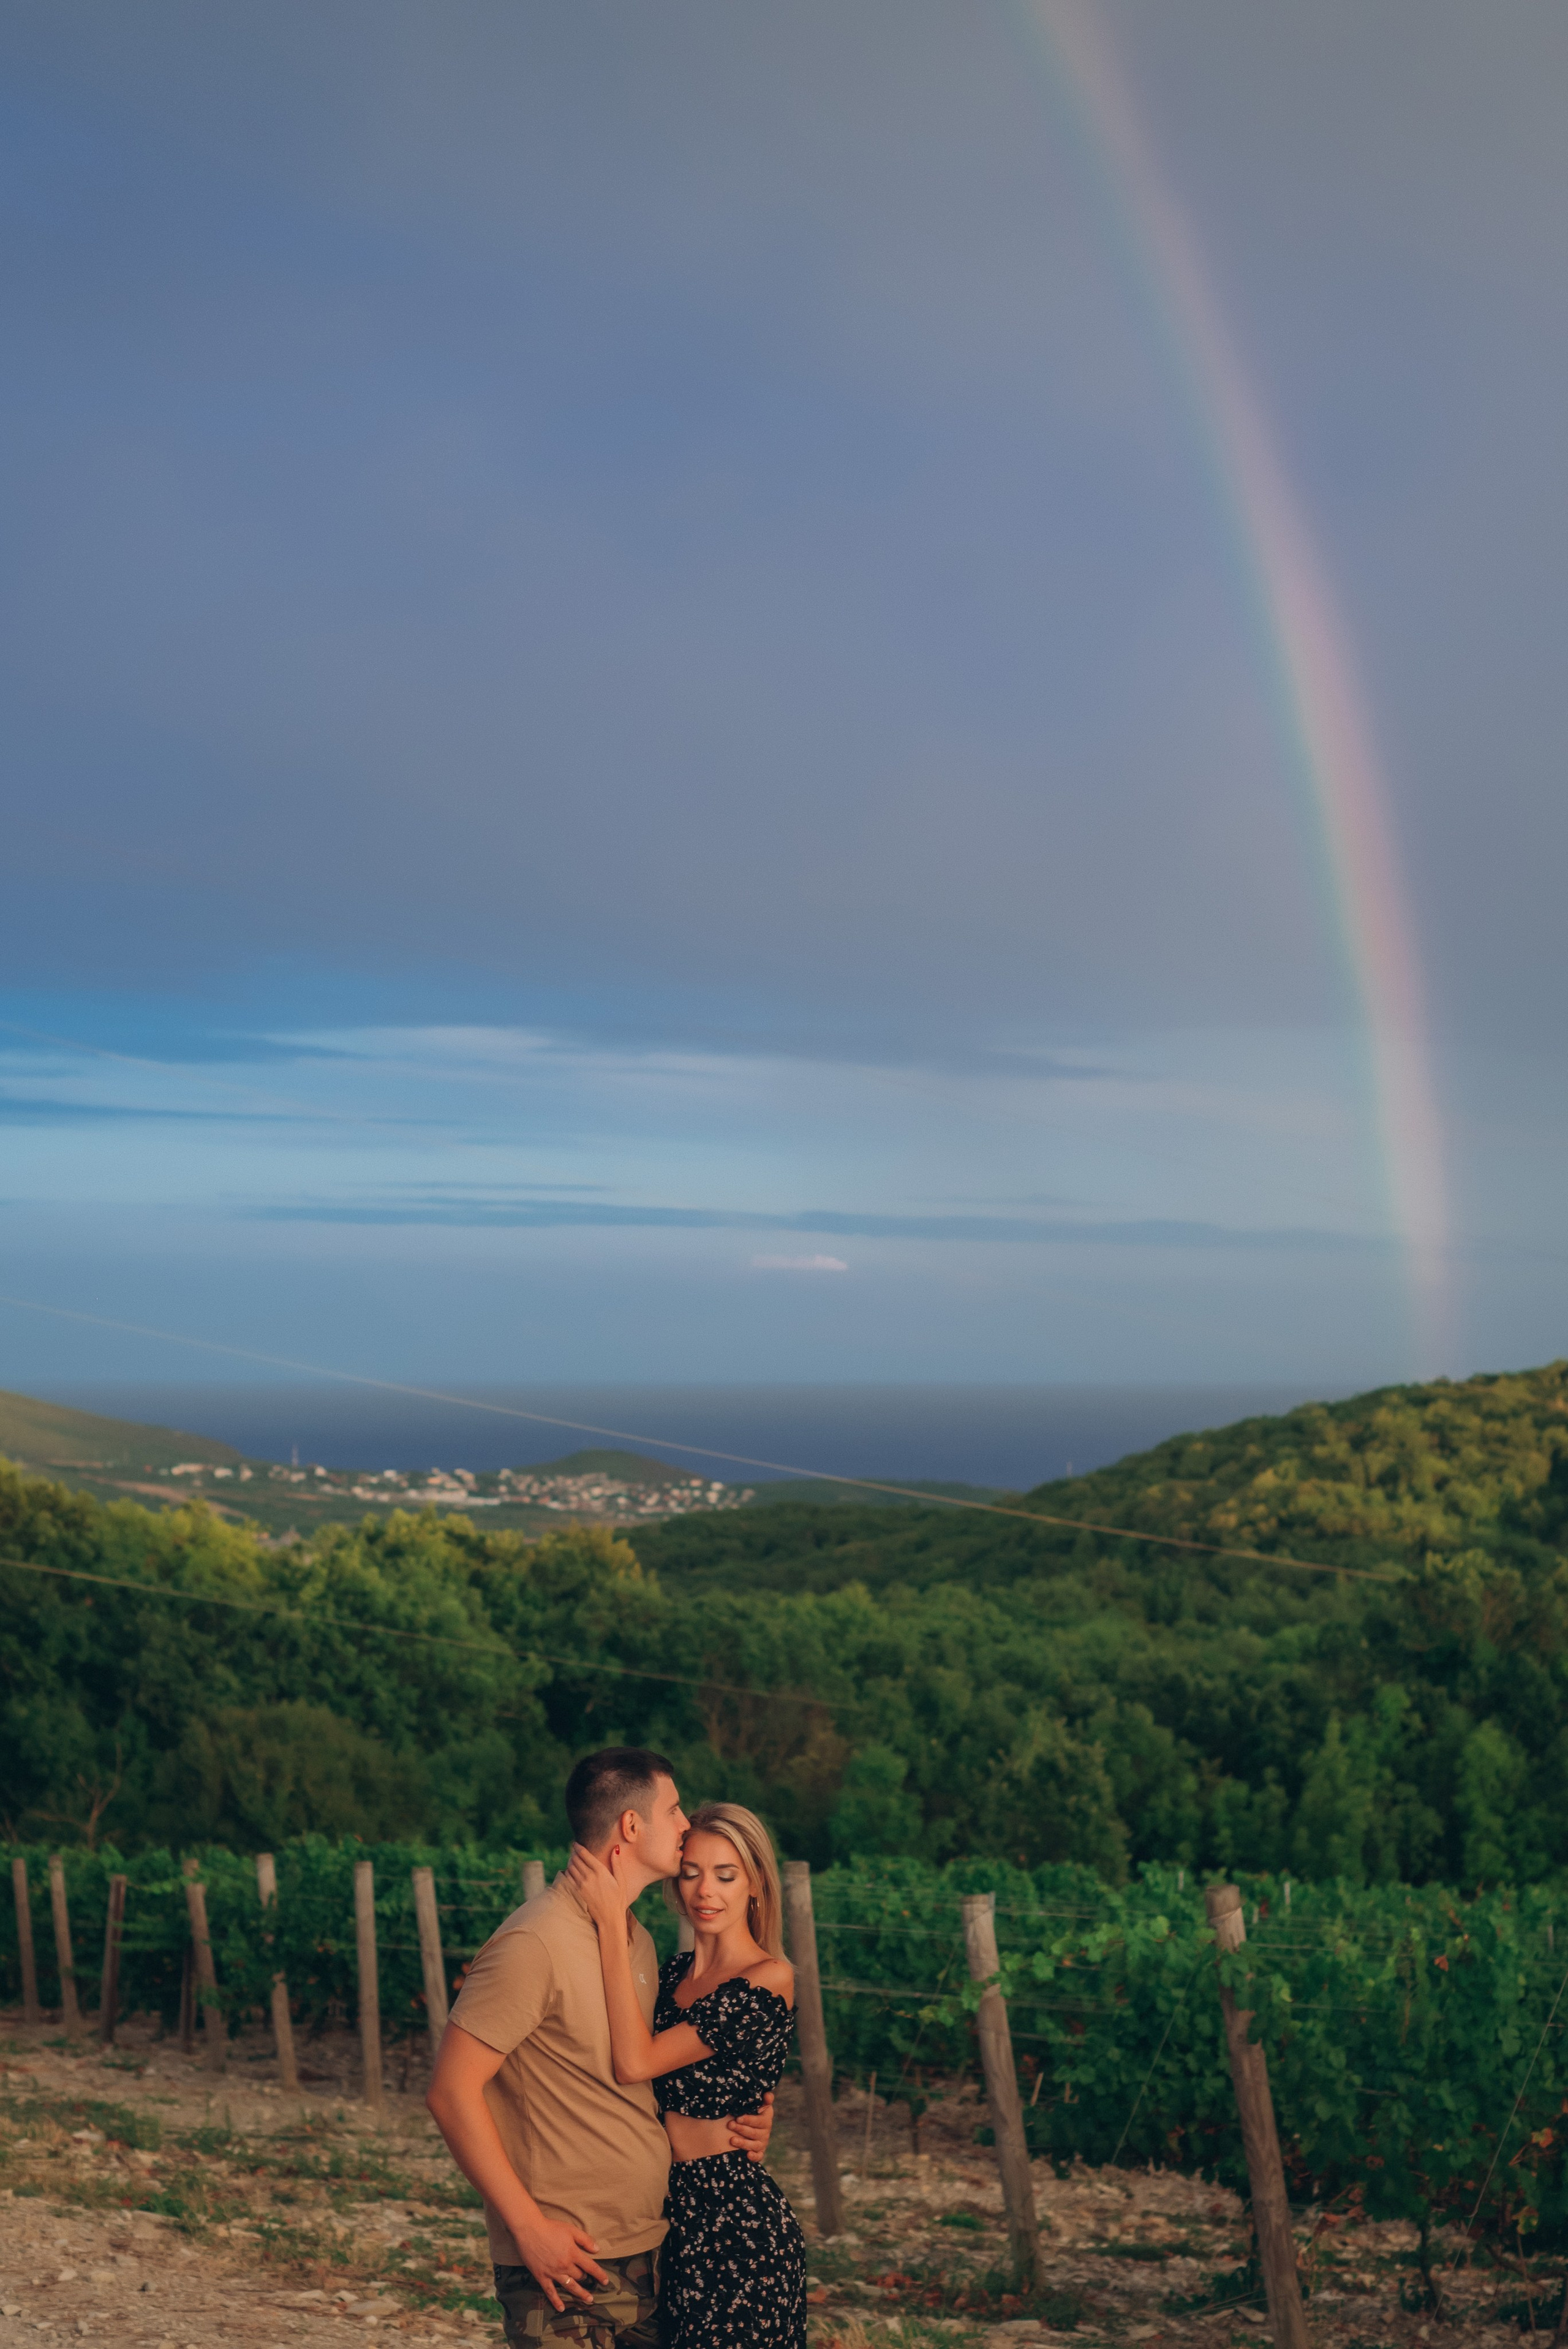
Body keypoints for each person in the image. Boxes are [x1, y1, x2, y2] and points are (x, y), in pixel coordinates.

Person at [425, 1749, 775, 2349]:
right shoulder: (535, 1942)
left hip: (650, 2248)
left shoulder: (633, 1941)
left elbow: (636, 2079)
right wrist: (529, 2229)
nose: (686, 1824)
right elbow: (450, 2093)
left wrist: (739, 2123)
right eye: (673, 1809)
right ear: (631, 1828)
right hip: (568, 2263)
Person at [565, 1801, 807, 2349]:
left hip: (737, 2225)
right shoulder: (669, 1975)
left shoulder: (769, 1977)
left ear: (756, 1887)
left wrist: (608, 1920)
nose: (705, 1892)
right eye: (692, 1873)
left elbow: (636, 2062)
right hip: (664, 2213)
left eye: (726, 1876)